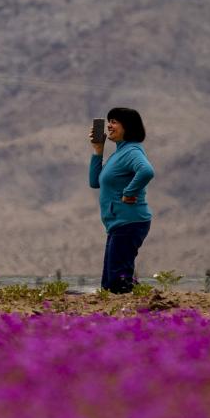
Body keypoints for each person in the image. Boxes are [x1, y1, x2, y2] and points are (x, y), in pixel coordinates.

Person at [89, 107, 155, 294]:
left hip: (129, 222)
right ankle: (137, 300)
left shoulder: (132, 151)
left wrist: (129, 192)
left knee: (118, 281)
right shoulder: (119, 153)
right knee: (109, 283)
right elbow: (95, 182)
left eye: (114, 122)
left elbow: (147, 171)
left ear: (128, 126)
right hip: (118, 223)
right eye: (109, 121)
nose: (109, 126)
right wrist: (98, 150)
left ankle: (142, 304)